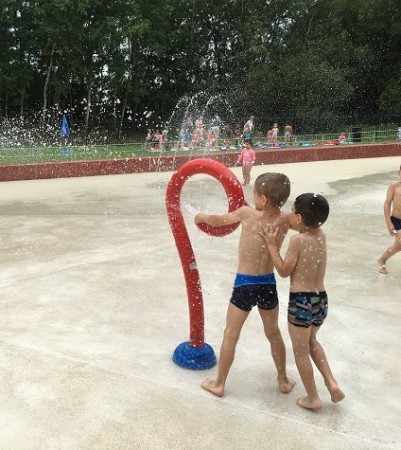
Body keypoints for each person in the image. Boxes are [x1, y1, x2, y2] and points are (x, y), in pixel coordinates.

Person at [195, 173, 295, 398]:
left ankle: (219, 383)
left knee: (231, 333)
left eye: (256, 195)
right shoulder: (286, 219)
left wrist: (200, 217)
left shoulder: (246, 214)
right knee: (274, 334)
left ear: (263, 200)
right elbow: (301, 223)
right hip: (267, 283)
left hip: (244, 284)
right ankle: (284, 379)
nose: (253, 197)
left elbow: (218, 220)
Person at [260, 193, 345, 411]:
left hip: (302, 302)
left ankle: (313, 397)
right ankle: (331, 382)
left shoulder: (297, 241)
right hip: (321, 299)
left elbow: (284, 270)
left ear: (298, 218)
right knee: (312, 341)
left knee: (300, 351)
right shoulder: (321, 235)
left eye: (293, 211)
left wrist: (271, 245)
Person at [377, 165, 401, 274]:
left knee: (398, 247)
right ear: (399, 173)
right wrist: (388, 222)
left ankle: (382, 259)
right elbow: (387, 204)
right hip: (397, 221)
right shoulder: (394, 186)